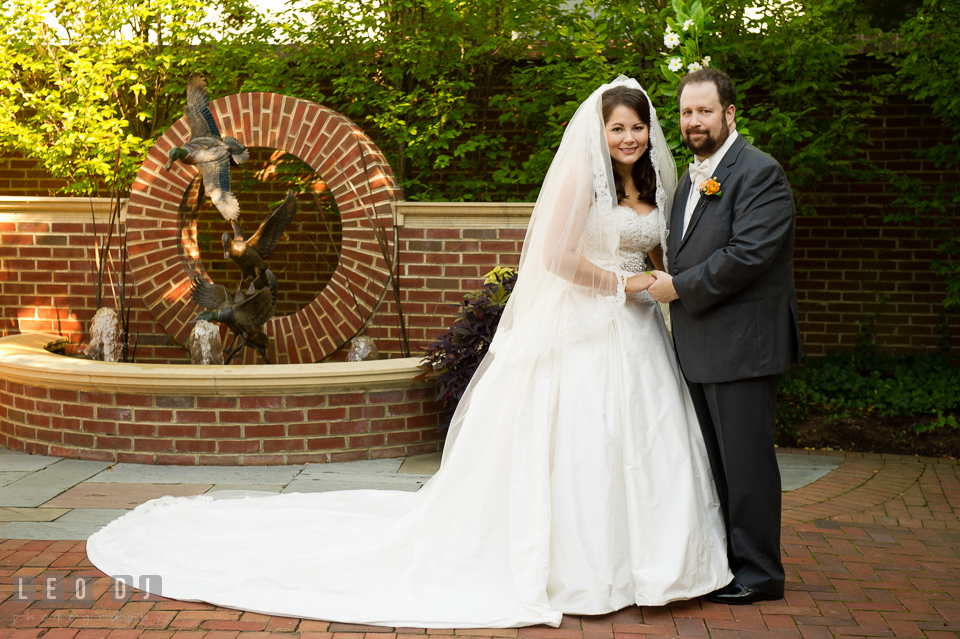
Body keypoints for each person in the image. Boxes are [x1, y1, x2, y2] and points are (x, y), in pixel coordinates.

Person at [86, 76, 731, 628]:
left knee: (642, 444)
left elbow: (657, 252)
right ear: (600, 131)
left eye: (638, 129)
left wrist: (663, 286)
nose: (629, 139)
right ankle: (586, 567)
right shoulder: (582, 185)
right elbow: (559, 258)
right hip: (587, 326)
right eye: (618, 128)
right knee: (583, 444)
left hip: (639, 336)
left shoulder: (652, 187)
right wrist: (625, 285)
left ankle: (654, 564)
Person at [648, 68, 803, 605]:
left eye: (705, 111)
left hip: (744, 344)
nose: (694, 122)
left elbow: (748, 256)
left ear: (729, 114)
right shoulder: (690, 179)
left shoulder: (760, 173)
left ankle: (760, 573)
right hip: (699, 344)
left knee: (746, 462)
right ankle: (729, 562)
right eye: (687, 112)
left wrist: (675, 289)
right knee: (714, 463)